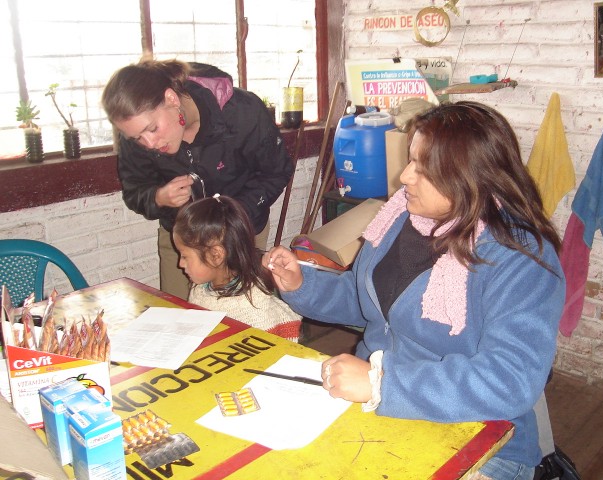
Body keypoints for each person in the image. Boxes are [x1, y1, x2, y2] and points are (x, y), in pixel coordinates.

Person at [264, 101, 565, 480]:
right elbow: (370, 303)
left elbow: (510, 380)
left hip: (482, 439)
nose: (404, 177)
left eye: (423, 168)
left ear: (468, 175)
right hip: (380, 407)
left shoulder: (519, 255)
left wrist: (382, 383)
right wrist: (303, 282)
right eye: (410, 160)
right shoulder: (400, 218)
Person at [102, 59, 294, 300]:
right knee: (181, 320)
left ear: (172, 99)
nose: (149, 144)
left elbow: (276, 171)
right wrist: (159, 197)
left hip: (241, 233)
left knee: (243, 319)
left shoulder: (242, 112)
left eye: (152, 129)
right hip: (182, 241)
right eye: (137, 138)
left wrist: (233, 215)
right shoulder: (138, 141)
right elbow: (135, 191)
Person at [173, 194, 301, 342]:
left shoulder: (255, 314)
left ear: (216, 256)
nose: (180, 264)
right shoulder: (200, 290)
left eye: (184, 256)